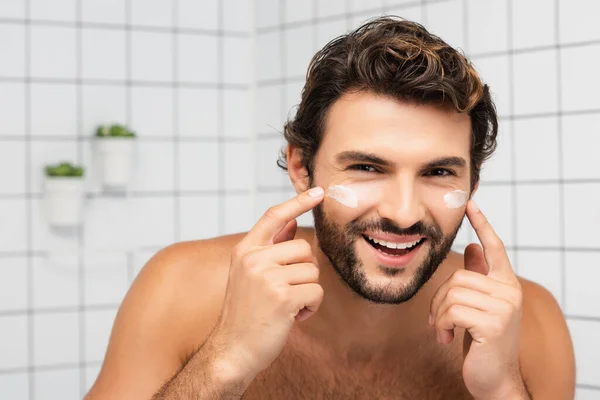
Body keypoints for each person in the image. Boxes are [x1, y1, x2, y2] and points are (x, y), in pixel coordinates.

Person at [85, 17, 575, 399]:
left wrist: (503, 390)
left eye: (438, 172)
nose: (404, 214)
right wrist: (223, 362)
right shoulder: (184, 289)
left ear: (473, 181)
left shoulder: (527, 322)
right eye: (366, 168)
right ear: (301, 167)